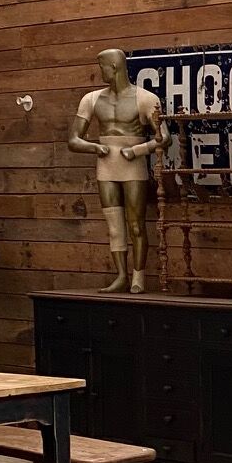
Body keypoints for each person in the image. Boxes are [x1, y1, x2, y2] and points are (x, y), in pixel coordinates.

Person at [68, 47, 168, 294]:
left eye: (101, 66)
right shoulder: (91, 99)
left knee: (136, 224)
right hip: (106, 165)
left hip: (132, 164)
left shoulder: (146, 99)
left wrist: (137, 150)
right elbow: (73, 140)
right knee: (114, 225)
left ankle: (138, 275)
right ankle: (121, 275)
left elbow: (164, 138)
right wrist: (94, 148)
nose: (99, 70)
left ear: (114, 67)